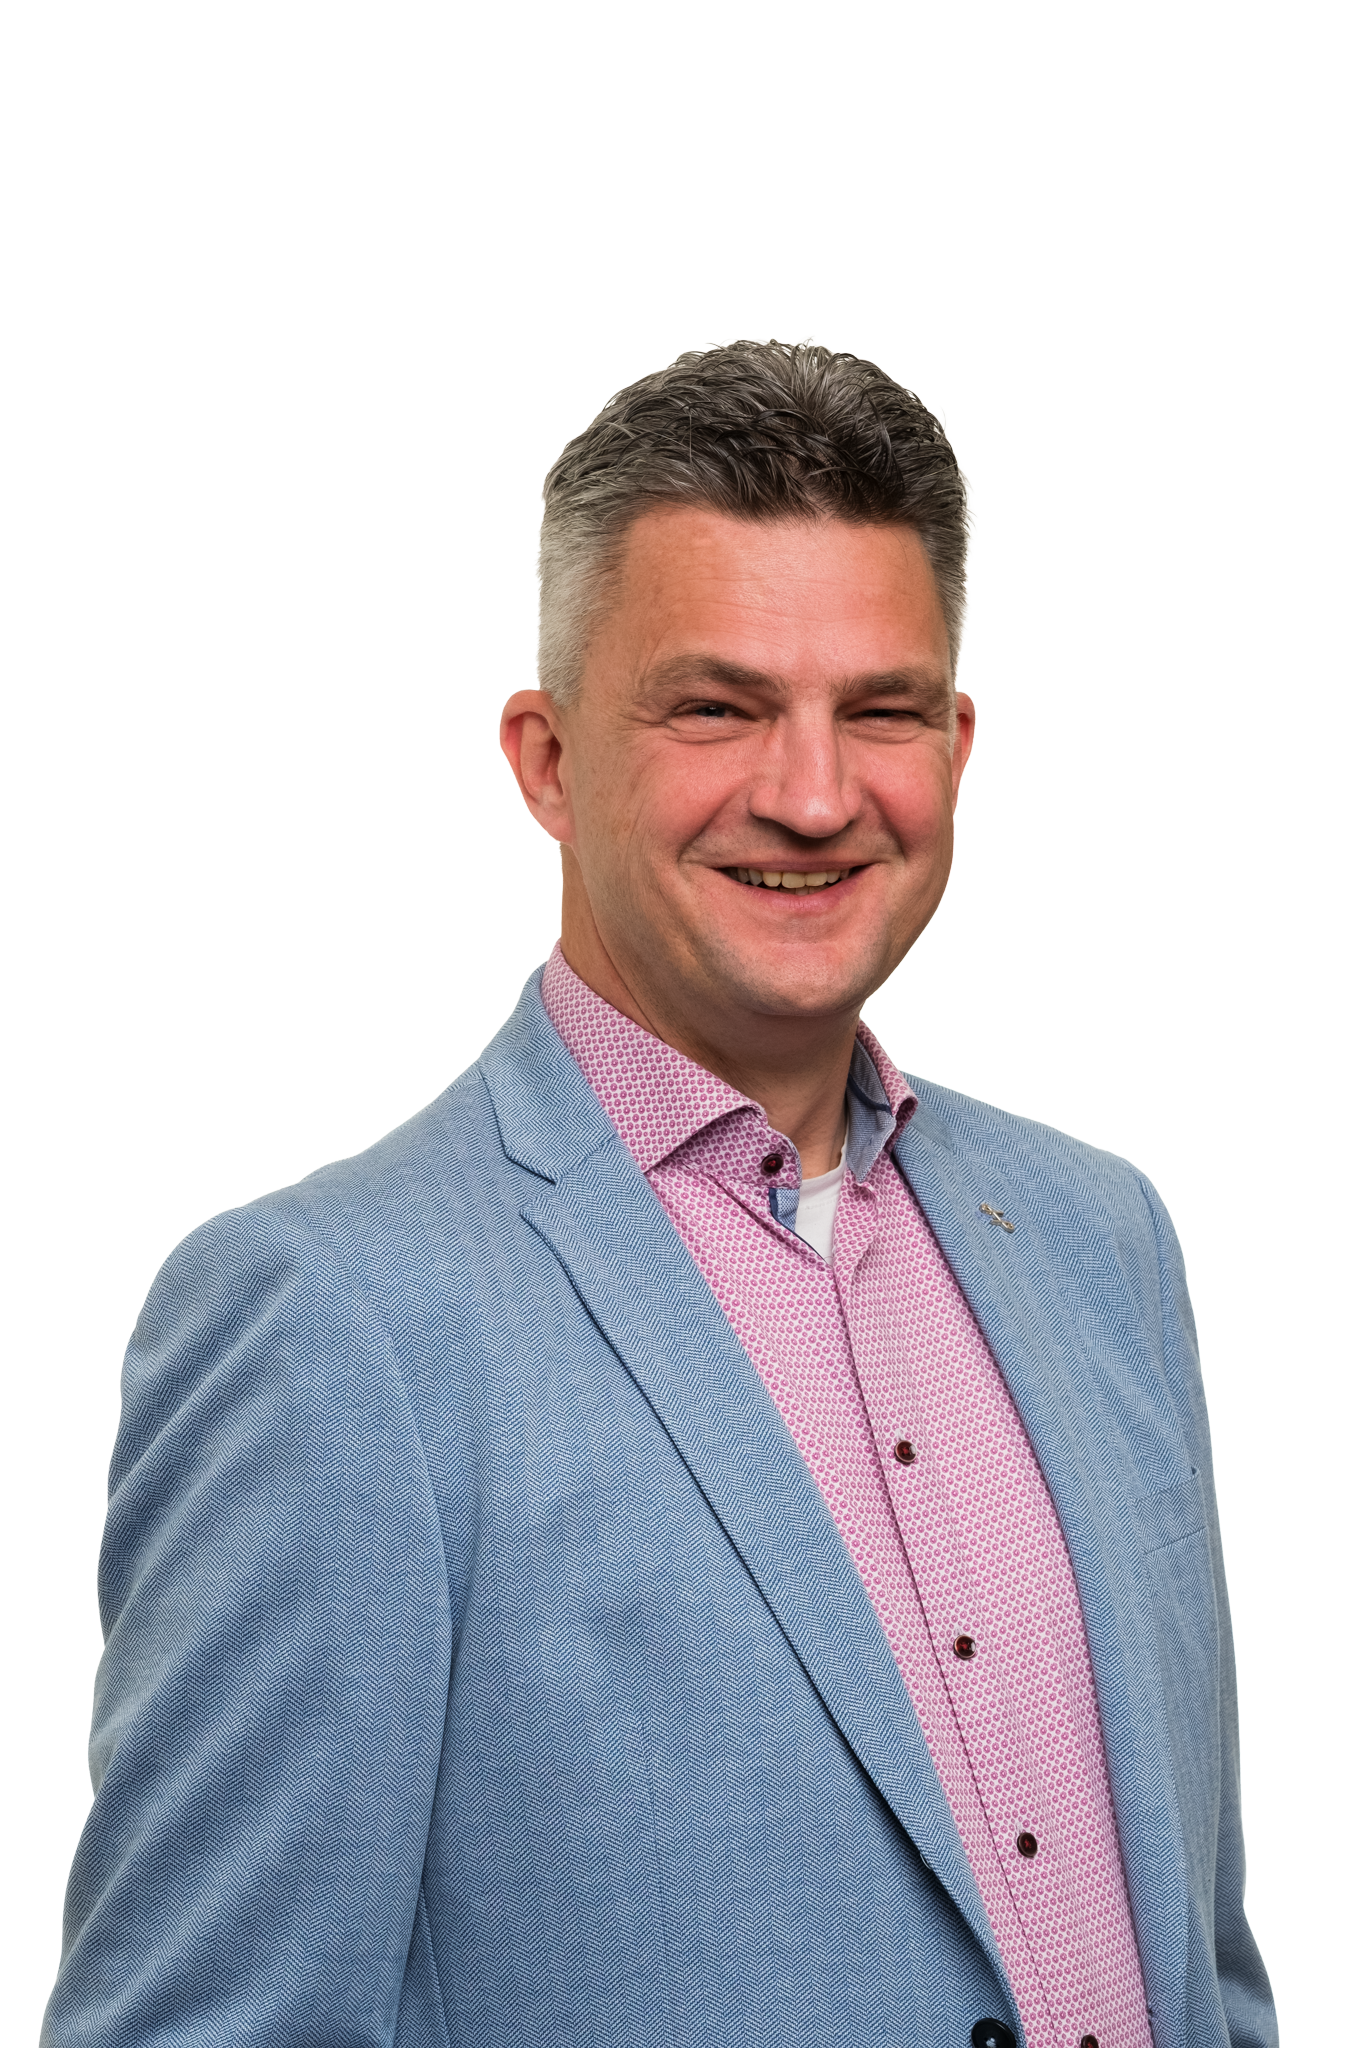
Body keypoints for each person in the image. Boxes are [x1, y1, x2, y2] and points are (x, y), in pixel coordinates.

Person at [44, 342, 1274, 2048]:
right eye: (717, 707)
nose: (815, 796)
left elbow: (1200, 1961)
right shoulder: (329, 1318)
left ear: (957, 745)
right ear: (547, 761)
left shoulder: (1099, 1241)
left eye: (881, 711)